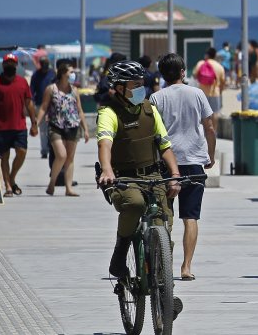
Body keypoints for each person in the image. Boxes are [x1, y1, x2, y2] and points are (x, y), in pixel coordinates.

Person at [96, 60, 184, 319]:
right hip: (123, 177)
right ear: (120, 88)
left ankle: (165, 290)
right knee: (134, 203)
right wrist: (107, 170)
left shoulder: (149, 109)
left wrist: (175, 176)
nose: (140, 90)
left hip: (153, 174)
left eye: (141, 85)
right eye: (135, 86)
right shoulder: (108, 113)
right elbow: (105, 143)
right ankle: (120, 253)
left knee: (164, 227)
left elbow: (165, 145)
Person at [150, 53, 216, 281]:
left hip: (166, 163)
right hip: (194, 161)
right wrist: (211, 155)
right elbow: (209, 127)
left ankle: (162, 266)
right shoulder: (197, 94)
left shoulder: (156, 98)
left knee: (163, 217)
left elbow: (152, 134)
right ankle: (186, 267)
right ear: (182, 72)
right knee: (191, 217)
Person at [0, 53, 39, 197]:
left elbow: (29, 103)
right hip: (1, 126)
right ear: (3, 65)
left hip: (19, 125)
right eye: (7, 63)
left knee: (22, 152)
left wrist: (34, 123)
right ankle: (8, 186)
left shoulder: (22, 82)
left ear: (16, 65)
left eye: (12, 63)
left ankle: (11, 177)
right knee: (4, 156)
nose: (10, 65)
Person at [36, 63, 88, 196]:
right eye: (70, 72)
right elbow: (43, 107)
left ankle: (68, 188)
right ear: (63, 73)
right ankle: (52, 182)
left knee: (70, 158)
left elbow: (80, 110)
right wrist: (36, 123)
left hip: (73, 126)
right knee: (61, 155)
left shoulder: (74, 90)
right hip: (55, 126)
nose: (73, 74)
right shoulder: (51, 89)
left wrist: (86, 129)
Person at [193, 48, 225, 129]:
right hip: (215, 92)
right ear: (215, 56)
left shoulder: (201, 63)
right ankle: (213, 131)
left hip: (202, 93)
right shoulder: (219, 67)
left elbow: (194, 75)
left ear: (207, 55)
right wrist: (220, 91)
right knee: (215, 113)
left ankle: (203, 131)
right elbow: (223, 82)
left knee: (202, 113)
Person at [30, 57, 55, 158]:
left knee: (53, 128)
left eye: (46, 62)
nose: (45, 64)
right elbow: (31, 90)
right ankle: (44, 150)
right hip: (40, 105)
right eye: (43, 63)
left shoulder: (53, 73)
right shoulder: (36, 75)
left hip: (53, 104)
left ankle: (52, 148)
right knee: (43, 129)